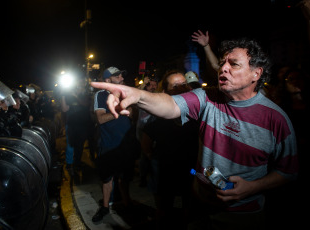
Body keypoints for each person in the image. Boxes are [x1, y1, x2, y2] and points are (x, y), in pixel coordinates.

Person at [90, 38, 298, 229]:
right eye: (223, 62)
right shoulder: (207, 97)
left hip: (243, 215)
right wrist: (137, 95)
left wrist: (252, 187)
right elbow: (170, 104)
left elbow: (288, 171)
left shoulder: (276, 119)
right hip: (199, 205)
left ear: (256, 73)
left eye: (233, 64)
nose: (223, 68)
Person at [141, 70, 198, 230]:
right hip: (166, 171)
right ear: (165, 91)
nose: (181, 88)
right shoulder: (159, 117)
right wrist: (155, 159)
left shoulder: (196, 113)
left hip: (191, 169)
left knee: (190, 203)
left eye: (183, 84)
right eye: (175, 85)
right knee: (163, 209)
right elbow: (146, 143)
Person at [92, 66, 138, 223]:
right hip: (109, 145)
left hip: (125, 144)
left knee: (124, 178)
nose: (121, 78)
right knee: (107, 179)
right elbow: (100, 119)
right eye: (117, 76)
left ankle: (127, 203)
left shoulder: (125, 93)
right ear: (107, 80)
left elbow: (132, 113)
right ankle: (105, 207)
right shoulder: (101, 95)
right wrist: (118, 110)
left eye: (121, 75)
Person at [60, 75, 95, 174]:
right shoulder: (69, 94)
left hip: (83, 124)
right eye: (79, 81)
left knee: (79, 145)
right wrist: (63, 94)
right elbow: (64, 109)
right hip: (71, 123)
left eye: (82, 81)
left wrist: (75, 96)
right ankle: (69, 164)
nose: (81, 83)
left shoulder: (86, 93)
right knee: (70, 145)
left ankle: (77, 164)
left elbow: (86, 104)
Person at [135, 76, 158, 187]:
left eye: (155, 85)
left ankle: (153, 176)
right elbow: (135, 93)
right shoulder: (142, 96)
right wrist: (143, 84)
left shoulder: (159, 96)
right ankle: (143, 178)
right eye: (151, 85)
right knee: (144, 154)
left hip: (155, 129)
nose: (153, 87)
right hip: (143, 129)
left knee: (153, 154)